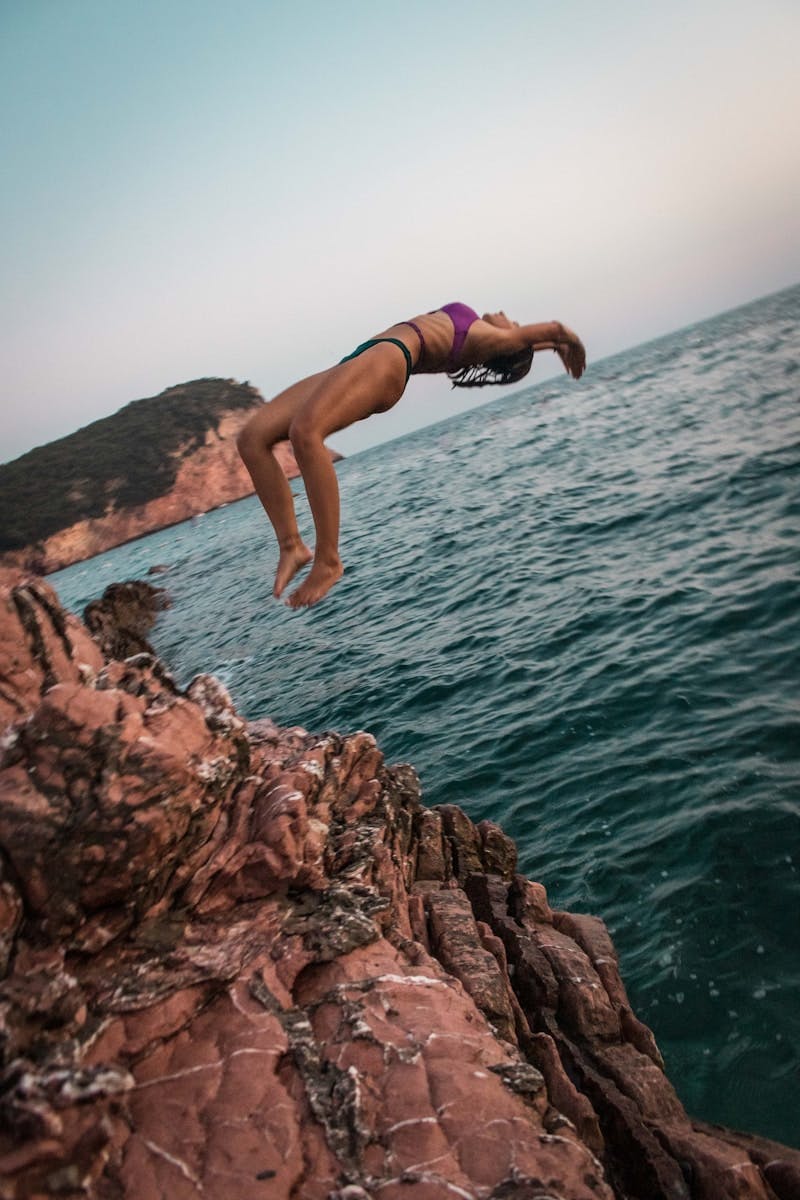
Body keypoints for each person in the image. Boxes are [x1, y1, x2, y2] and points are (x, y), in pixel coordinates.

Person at [237, 303, 586, 608]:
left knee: (306, 433)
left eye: (514, 325)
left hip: (389, 360)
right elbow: (537, 340)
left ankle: (328, 559)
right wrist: (550, 346)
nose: (509, 317)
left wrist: (568, 342)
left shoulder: (497, 340)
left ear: (510, 343)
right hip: (365, 357)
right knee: (252, 439)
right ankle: (291, 546)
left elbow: (549, 331)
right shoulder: (490, 336)